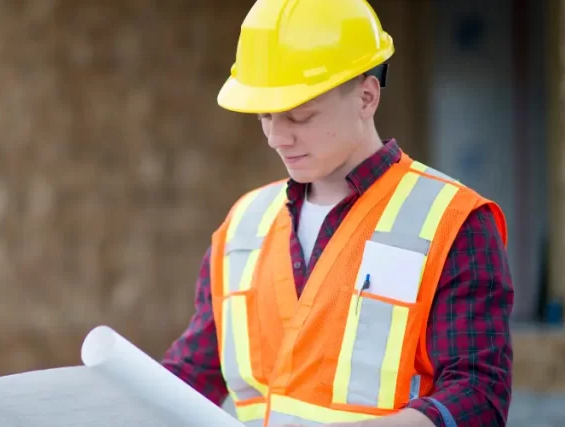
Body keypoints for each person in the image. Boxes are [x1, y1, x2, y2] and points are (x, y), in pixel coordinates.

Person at [159, 0, 514, 426]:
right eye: (266, 116)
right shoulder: (243, 227)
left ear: (366, 96)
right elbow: (190, 375)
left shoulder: (452, 222)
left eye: (299, 116)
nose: (277, 137)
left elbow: (478, 397)